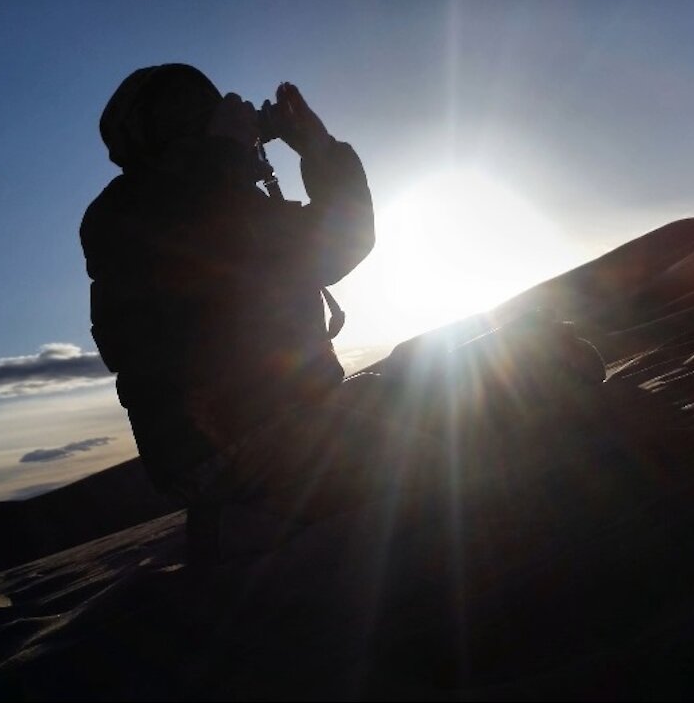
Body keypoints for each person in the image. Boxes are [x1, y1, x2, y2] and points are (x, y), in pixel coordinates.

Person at [82, 64, 606, 564]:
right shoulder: (132, 218)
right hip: (229, 447)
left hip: (300, 415)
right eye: (197, 113)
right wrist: (224, 155)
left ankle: (289, 498)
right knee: (447, 457)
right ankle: (241, 524)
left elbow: (341, 242)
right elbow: (197, 246)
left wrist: (317, 147)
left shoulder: (225, 203)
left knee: (479, 374)